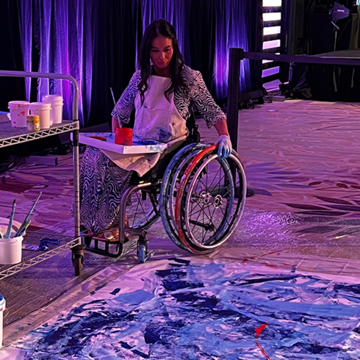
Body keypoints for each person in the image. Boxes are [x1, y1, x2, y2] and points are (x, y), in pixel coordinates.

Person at [79, 19, 232, 237]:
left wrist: (224, 135)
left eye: (167, 50)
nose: (161, 57)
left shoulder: (188, 78)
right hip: (140, 143)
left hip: (169, 148)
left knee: (113, 168)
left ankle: (110, 225)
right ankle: (92, 222)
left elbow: (213, 111)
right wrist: (116, 139)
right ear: (147, 51)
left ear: (174, 48)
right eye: (155, 51)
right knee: (93, 156)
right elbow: (118, 113)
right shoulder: (140, 77)